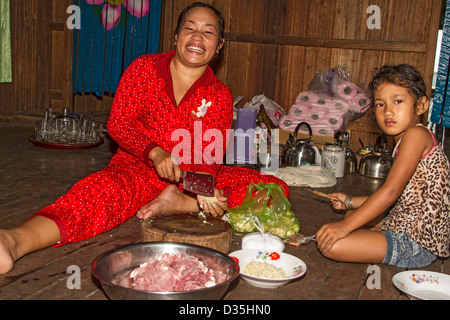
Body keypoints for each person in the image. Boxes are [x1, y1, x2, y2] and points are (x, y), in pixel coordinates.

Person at [0, 2, 288, 274]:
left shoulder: (219, 96)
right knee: (98, 196)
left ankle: (181, 202)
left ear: (219, 45)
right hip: (137, 170)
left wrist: (198, 189)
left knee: (273, 187)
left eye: (208, 31)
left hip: (190, 178)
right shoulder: (145, 70)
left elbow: (209, 159)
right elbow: (119, 124)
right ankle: (15, 241)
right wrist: (155, 152)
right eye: (189, 28)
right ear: (176, 36)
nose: (197, 37)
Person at [316, 64, 450, 268]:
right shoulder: (410, 138)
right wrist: (349, 201)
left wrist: (343, 228)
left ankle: (382, 243)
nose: (388, 111)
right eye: (380, 104)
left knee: (332, 245)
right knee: (352, 214)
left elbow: (390, 193)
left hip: (416, 243)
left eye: (398, 101)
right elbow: (400, 195)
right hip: (405, 221)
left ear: (421, 105)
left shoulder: (416, 135)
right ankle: (371, 232)